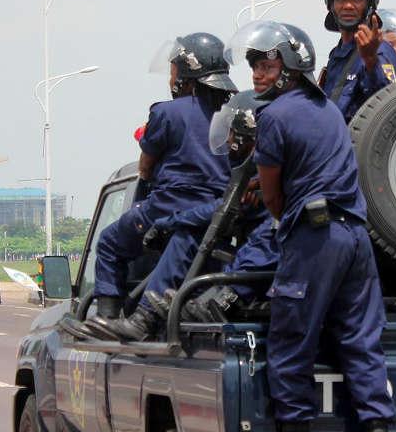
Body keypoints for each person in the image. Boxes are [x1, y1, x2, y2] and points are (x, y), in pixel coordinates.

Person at [226, 20, 396, 432]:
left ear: (290, 67)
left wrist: (278, 219)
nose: (258, 75)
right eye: (255, 66)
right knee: (361, 342)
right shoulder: (327, 110)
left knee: (290, 339)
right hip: (356, 236)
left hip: (314, 237)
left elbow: (272, 194)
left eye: (265, 64)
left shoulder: (275, 118)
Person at [83, 32, 237, 339]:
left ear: (186, 74)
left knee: (111, 242)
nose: (170, 80)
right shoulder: (236, 114)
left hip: (168, 205)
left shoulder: (166, 112)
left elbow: (145, 167)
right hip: (218, 213)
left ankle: (107, 320)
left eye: (173, 72)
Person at [97, 90, 277, 340]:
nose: (227, 142)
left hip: (264, 261)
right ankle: (148, 314)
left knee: (185, 236)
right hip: (253, 256)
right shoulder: (254, 170)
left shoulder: (266, 174)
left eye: (232, 134)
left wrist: (167, 222)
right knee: (191, 236)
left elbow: (222, 210)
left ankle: (141, 319)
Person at [316, 0, 396, 122]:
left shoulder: (380, 50)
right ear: (330, 3)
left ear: (370, 3)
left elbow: (388, 104)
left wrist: (371, 61)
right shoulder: (337, 53)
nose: (348, 5)